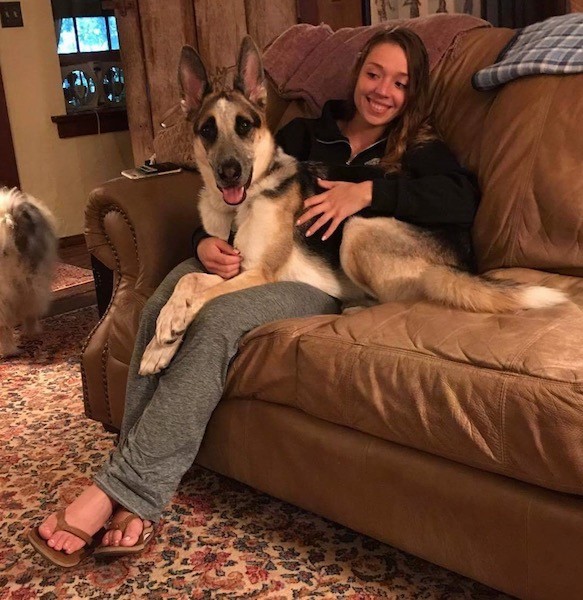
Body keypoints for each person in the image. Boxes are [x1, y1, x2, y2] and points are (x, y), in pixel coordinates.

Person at [30, 28, 479, 566]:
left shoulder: (418, 147)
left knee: (216, 320)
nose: (383, 90)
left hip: (326, 283)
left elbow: (461, 199)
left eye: (400, 83)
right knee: (160, 300)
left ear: (414, 93)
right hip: (266, 259)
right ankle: (131, 480)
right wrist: (203, 242)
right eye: (374, 74)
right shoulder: (310, 133)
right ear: (357, 73)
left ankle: (121, 493)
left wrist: (370, 189)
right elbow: (243, 189)